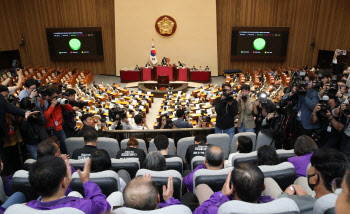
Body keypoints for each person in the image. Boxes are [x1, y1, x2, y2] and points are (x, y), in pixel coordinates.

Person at [26, 156, 110, 213]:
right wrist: (87, 182)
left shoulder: (26, 208)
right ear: (63, 182)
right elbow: (105, 208)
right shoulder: (85, 206)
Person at [279, 149, 348, 214]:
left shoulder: (294, 203)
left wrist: (285, 195)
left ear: (315, 178)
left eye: (311, 166)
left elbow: (280, 207)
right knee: (301, 179)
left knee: (269, 180)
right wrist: (306, 196)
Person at [194, 163, 273, 214]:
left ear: (233, 189)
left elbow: (197, 212)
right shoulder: (275, 206)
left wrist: (221, 194)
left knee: (202, 187)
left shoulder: (217, 210)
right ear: (263, 187)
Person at [283, 76, 320, 142]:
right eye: (304, 81)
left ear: (311, 82)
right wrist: (292, 92)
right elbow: (284, 98)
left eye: (307, 81)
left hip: (307, 125)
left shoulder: (315, 93)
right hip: (296, 124)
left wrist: (304, 95)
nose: (305, 83)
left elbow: (313, 106)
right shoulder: (298, 91)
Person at [44, 86, 73, 154]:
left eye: (57, 96)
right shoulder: (45, 104)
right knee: (53, 149)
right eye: (54, 97)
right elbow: (45, 117)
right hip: (50, 130)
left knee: (65, 146)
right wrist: (52, 106)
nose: (56, 99)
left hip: (59, 129)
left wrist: (62, 101)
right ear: (49, 97)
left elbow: (70, 109)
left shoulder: (59, 103)